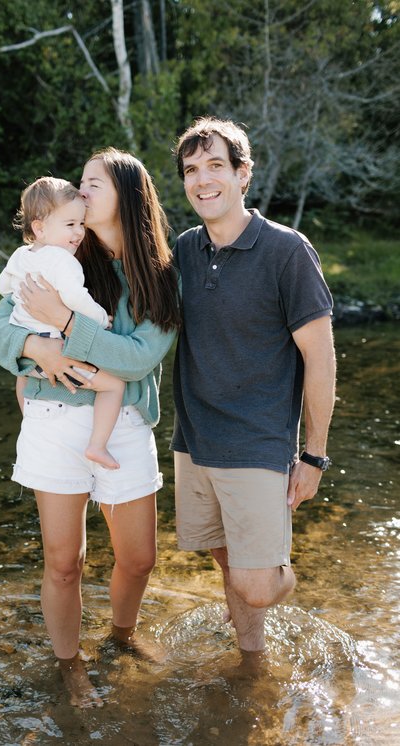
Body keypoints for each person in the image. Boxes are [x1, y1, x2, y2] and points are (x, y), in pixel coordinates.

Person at [0, 148, 181, 708]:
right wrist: (35, 350)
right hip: (54, 415)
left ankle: (121, 636)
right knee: (64, 561)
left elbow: (139, 358)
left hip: (123, 419)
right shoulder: (60, 254)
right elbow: (1, 328)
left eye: (93, 183)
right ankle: (70, 666)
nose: (82, 191)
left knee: (139, 556)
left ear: (125, 194)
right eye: (80, 184)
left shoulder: (159, 275)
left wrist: (66, 324)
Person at [170, 117, 335, 667]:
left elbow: (320, 357)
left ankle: (268, 571)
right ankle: (252, 662)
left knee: (256, 584)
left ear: (243, 175)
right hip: (194, 441)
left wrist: (312, 454)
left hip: (258, 442)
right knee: (226, 561)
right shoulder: (185, 252)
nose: (203, 180)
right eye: (192, 170)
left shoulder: (287, 252)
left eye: (216, 165)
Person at [0, 176, 124, 469]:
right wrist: (101, 318)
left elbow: (4, 287)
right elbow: (76, 298)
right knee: (113, 386)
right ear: (39, 227)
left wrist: (21, 294)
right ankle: (98, 445)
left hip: (31, 354)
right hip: (60, 349)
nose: (79, 232)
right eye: (70, 225)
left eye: (81, 223)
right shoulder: (64, 261)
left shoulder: (20, 255)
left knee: (22, 379)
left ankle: (28, 421)